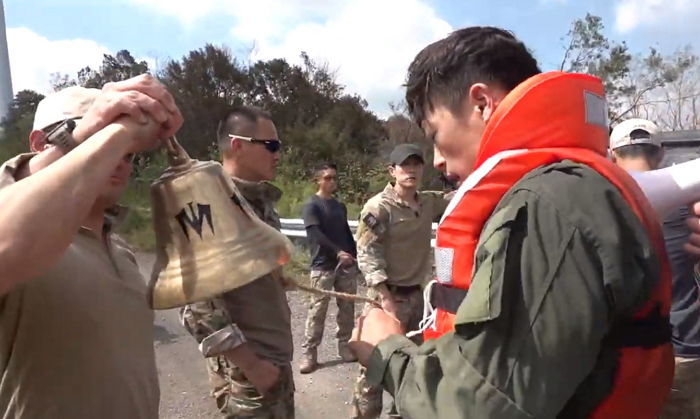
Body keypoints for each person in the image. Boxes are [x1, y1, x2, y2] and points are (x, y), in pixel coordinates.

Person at [349, 26, 673, 418]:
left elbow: (481, 406)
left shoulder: (548, 204)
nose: (435, 159)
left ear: (482, 103)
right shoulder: (578, 186)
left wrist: (386, 350)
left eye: (436, 134)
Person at [0, 75, 183, 418]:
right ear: (40, 142)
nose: (115, 151)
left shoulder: (122, 252)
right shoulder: (24, 239)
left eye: (128, 151)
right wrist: (88, 138)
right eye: (95, 133)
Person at [180, 106, 294, 418]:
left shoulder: (260, 203)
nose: (278, 154)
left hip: (275, 360)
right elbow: (196, 304)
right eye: (271, 146)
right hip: (247, 375)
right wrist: (251, 366)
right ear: (237, 145)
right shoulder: (205, 205)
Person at [351, 143, 449, 418]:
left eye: (417, 164)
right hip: (386, 296)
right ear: (392, 170)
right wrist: (385, 298)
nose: (412, 170)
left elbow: (461, 197)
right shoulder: (379, 207)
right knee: (374, 365)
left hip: (418, 298)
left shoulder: (427, 201)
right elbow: (368, 253)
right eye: (405, 165)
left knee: (411, 366)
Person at [611, 118, 700, 419]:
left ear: (613, 156)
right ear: (660, 153)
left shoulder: (603, 202)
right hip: (688, 345)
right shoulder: (691, 201)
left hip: (631, 354)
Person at [299, 162, 359, 374]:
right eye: (327, 178)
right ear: (318, 180)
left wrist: (354, 254)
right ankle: (310, 352)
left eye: (334, 177)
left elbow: (345, 233)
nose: (331, 181)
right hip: (323, 265)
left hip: (345, 266)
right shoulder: (312, 205)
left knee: (347, 308)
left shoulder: (338, 206)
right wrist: (336, 252)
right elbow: (315, 234)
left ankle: (345, 345)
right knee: (317, 311)